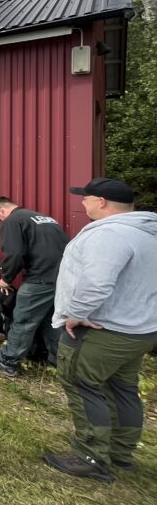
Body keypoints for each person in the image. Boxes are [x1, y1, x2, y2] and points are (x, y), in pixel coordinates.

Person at [43, 177, 157, 483]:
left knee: (82, 384)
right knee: (123, 389)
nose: (83, 203)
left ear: (102, 202)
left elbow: (96, 282)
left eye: (86, 198)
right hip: (140, 329)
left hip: (102, 329)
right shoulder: (148, 232)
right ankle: (121, 451)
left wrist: (75, 313)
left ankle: (91, 455)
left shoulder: (110, 235)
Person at [0, 196, 68, 377]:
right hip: (61, 278)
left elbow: (15, 253)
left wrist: (6, 278)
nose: (1, 222)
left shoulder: (12, 221)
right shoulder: (45, 218)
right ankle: (60, 362)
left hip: (39, 278)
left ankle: (8, 361)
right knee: (51, 321)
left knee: (24, 320)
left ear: (0, 211)